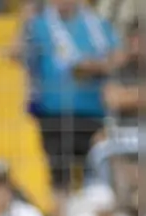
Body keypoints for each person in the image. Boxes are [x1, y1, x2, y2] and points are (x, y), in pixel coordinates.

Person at [11, 0, 119, 194]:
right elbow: (16, 54)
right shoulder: (39, 24)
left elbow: (117, 58)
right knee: (60, 179)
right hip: (53, 113)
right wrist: (24, 20)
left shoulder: (96, 24)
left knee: (95, 176)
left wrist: (91, 67)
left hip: (92, 112)